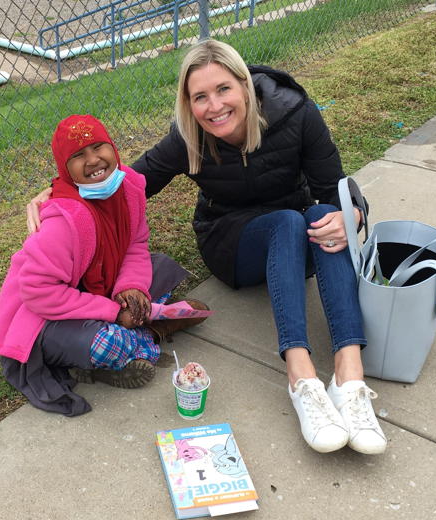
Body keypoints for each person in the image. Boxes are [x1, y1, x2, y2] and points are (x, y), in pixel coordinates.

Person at [27, 40, 386, 454]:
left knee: (324, 214)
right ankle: (301, 377)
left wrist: (353, 215)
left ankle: (349, 376)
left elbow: (334, 187)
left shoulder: (295, 113)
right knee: (288, 221)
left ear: (246, 86)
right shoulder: (189, 136)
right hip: (232, 243)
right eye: (200, 97)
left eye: (223, 90)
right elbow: (131, 181)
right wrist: (63, 190)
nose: (214, 107)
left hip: (295, 242)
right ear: (188, 103)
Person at [0, 114, 206, 417]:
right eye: (78, 155)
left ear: (113, 148)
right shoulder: (62, 222)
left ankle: (133, 334)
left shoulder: (129, 188)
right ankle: (153, 331)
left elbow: (135, 244)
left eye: (98, 147)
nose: (93, 160)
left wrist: (130, 289)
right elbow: (38, 293)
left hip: (99, 291)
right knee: (105, 342)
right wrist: (116, 312)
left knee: (162, 268)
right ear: (65, 169)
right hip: (46, 317)